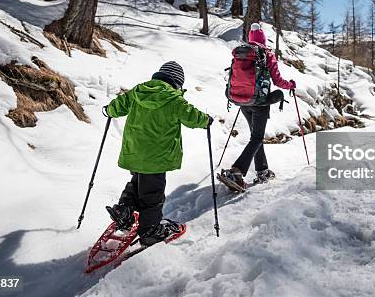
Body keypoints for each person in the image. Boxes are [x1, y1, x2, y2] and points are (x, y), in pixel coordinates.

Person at [104, 61, 212, 246]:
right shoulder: (174, 99)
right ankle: (150, 230)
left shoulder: (139, 91)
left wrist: (108, 110)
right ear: (177, 83)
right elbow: (192, 116)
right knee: (152, 194)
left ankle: (124, 211)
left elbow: (117, 106)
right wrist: (206, 120)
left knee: (137, 182)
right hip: (157, 158)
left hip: (134, 152)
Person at [220, 23, 296, 190]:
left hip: (242, 100)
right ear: (263, 39)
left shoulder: (241, 53)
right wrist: (290, 85)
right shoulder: (266, 54)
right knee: (257, 138)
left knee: (255, 137)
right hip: (259, 103)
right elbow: (277, 81)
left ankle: (262, 171)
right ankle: (237, 170)